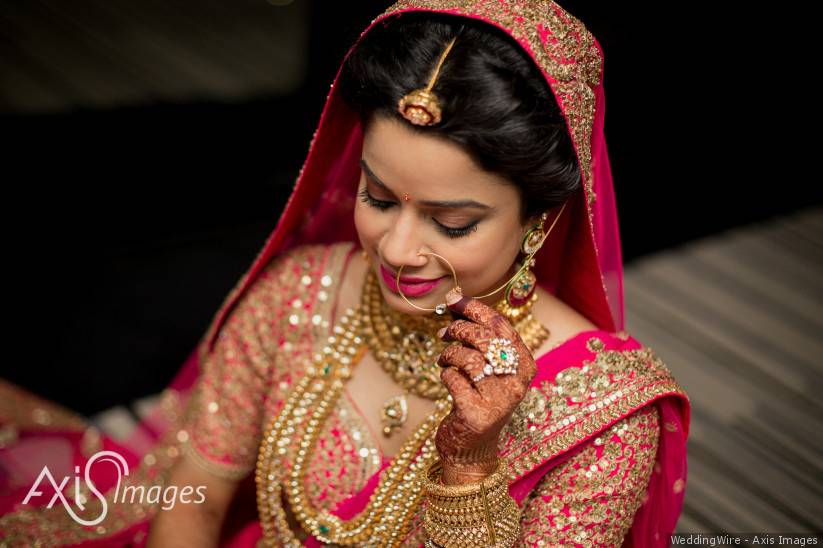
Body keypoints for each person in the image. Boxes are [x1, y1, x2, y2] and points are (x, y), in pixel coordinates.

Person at [0, 1, 691, 546]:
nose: (394, 248)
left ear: (539, 217)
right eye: (378, 198)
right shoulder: (302, 291)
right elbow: (195, 498)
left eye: (452, 224)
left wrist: (470, 464)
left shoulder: (601, 417)